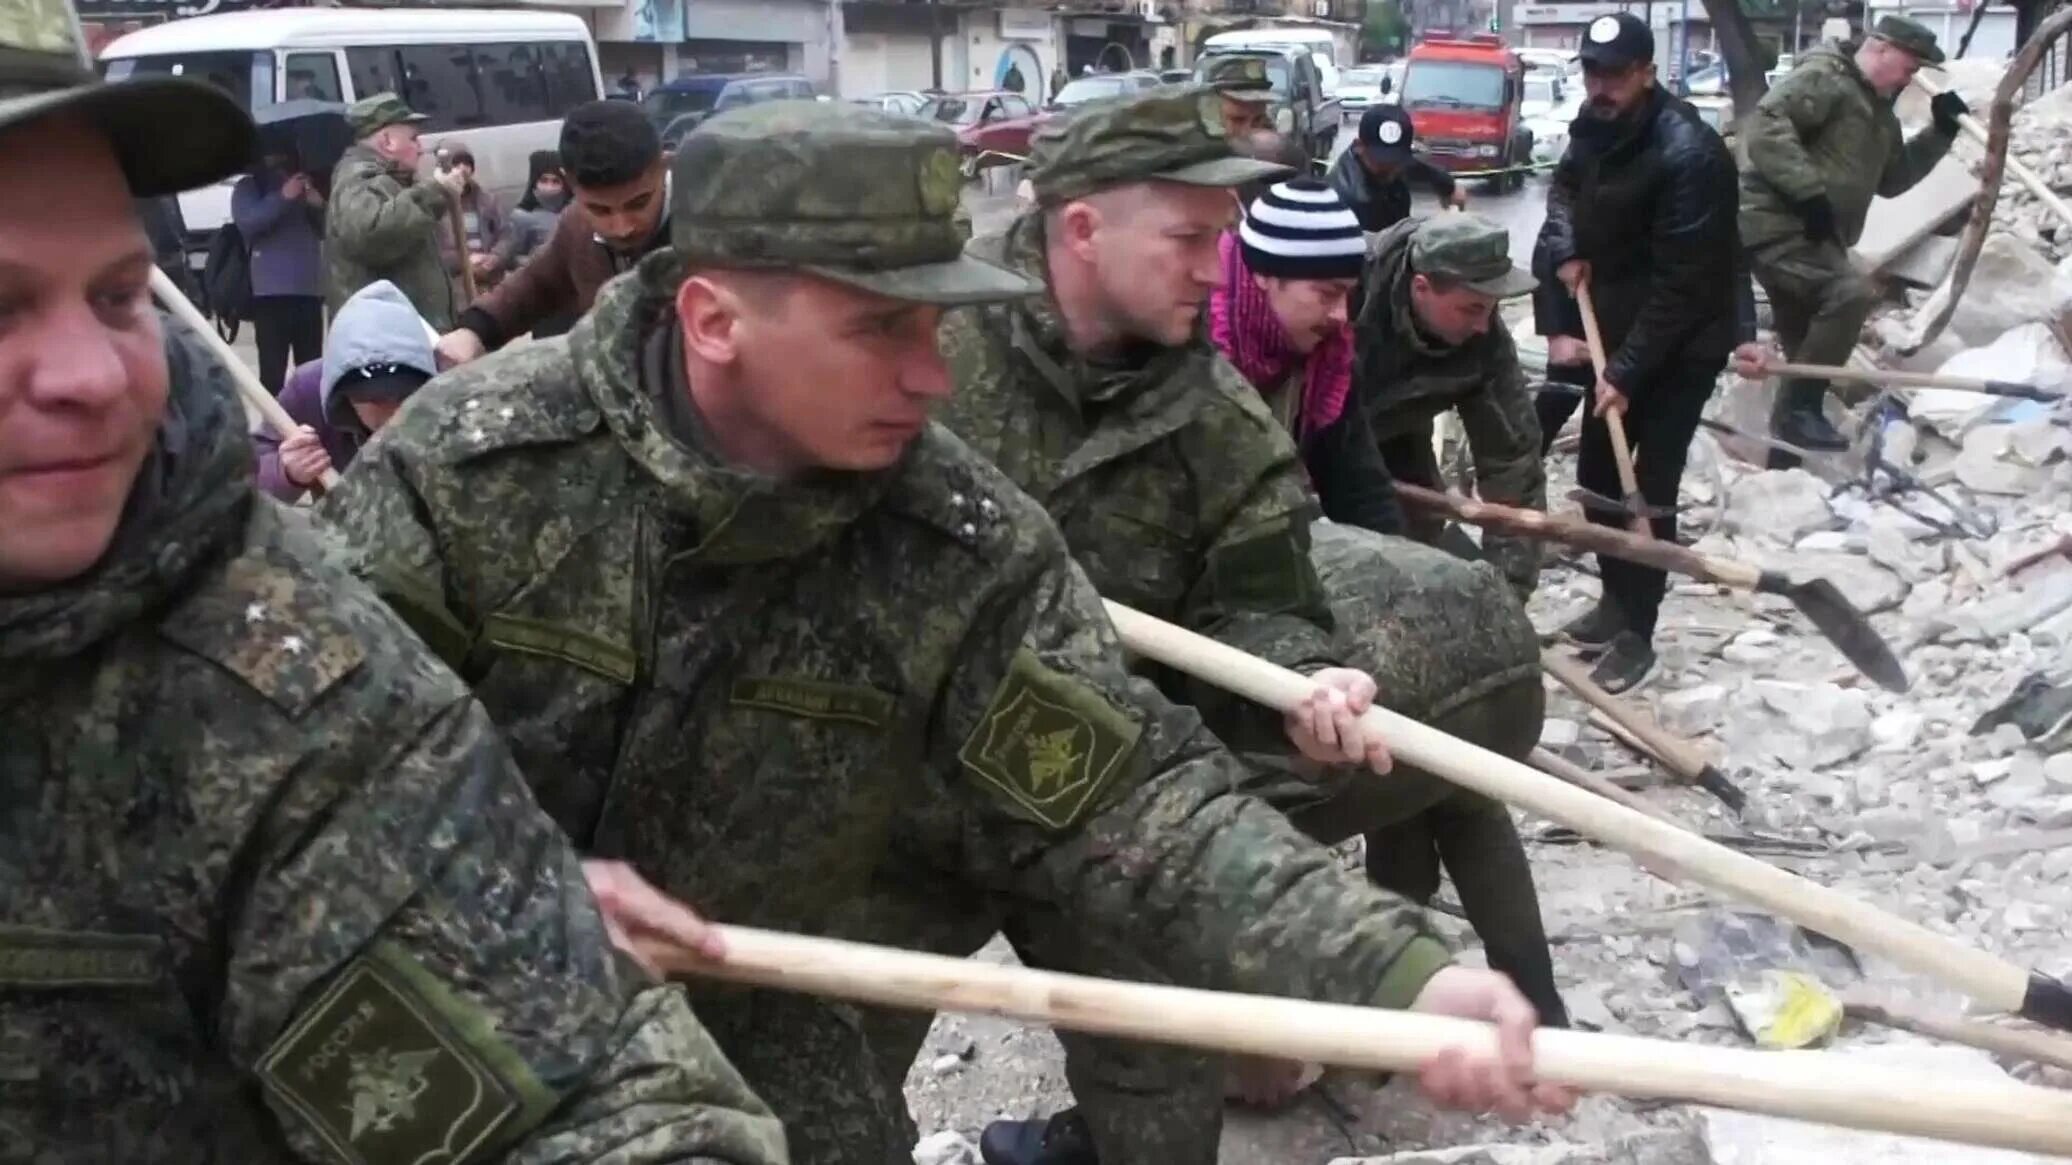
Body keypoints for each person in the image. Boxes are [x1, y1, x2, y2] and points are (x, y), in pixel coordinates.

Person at [315, 99, 1574, 1165]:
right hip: (457, 1006)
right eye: (882, 327)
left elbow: (1126, 801)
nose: (932, 376)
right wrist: (497, 886)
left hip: (777, 1005)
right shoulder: (476, 473)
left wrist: (1396, 975)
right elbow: (291, 782)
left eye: (937, 323)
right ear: (712, 321)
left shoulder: (956, 537)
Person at [0, 13, 789, 1161]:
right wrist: (471, 326)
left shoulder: (267, 672)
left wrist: (513, 922)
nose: (90, 375)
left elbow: (587, 1106)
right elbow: (515, 294)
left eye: (121, 295)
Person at [934, 88, 1568, 1165]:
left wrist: (1304, 675)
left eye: (1219, 240)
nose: (1208, 266)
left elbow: (1263, 593)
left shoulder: (1218, 416)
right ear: (1081, 227)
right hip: (905, 771)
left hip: (1099, 767)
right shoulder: (932, 353)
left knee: (1156, 1074)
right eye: (1187, 236)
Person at [1530, 12, 1743, 692]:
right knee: (1597, 478)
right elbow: (1562, 189)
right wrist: (1565, 252)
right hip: (1614, 321)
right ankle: (1615, 599)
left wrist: (1624, 371)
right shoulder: (1594, 127)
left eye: (1615, 74)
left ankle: (1639, 632)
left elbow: (1686, 286)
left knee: (1648, 484)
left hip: (1684, 340)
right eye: (1593, 71)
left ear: (1649, 73)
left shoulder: (1692, 154)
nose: (1601, 86)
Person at [1740, 16, 1963, 460]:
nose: (1911, 75)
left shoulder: (1878, 112)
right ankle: (1799, 412)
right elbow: (1766, 126)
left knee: (1806, 347)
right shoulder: (1825, 77)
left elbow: (1894, 179)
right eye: (1909, 64)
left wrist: (1940, 133)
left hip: (1819, 237)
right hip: (1776, 226)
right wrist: (1808, 194)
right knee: (1850, 293)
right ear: (1880, 49)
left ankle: (1784, 456)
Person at [1351, 213, 1547, 602]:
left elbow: (1512, 461)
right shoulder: (1344, 286)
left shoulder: (1485, 343)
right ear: (1420, 287)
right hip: (1303, 427)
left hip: (1398, 429)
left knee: (1416, 537)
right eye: (1472, 308)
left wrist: (1509, 596)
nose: (1483, 326)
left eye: (1492, 309)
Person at [1210, 177, 1403, 534]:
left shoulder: (1330, 361)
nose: (1341, 316)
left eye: (1347, 296)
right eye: (1327, 294)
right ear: (1265, 276)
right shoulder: (1193, 348)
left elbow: (1359, 488)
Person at [436, 100, 669, 367]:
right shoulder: (576, 223)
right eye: (600, 209)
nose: (622, 226)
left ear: (663, 166)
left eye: (638, 203)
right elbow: (537, 283)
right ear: (568, 181)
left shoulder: (708, 225)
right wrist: (474, 331)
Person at [253, 280, 436, 499]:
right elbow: (244, 483)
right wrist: (285, 473)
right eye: (374, 398)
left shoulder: (451, 388)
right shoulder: (309, 389)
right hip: (339, 528)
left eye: (403, 396)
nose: (391, 412)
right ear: (343, 394)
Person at [326, 91, 462, 329]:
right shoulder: (359, 179)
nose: (420, 148)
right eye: (413, 138)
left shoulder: (391, 179)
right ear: (387, 142)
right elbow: (372, 235)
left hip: (400, 336)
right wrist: (434, 192)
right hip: (385, 343)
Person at [232, 147, 327, 393]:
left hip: (308, 290)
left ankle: (312, 422)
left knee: (311, 370)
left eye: (283, 155)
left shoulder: (305, 184)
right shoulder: (248, 187)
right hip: (270, 293)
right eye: (272, 154)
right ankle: (274, 426)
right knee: (272, 372)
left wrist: (317, 204)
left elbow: (327, 230)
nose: (278, 160)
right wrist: (283, 196)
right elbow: (249, 223)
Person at [1329, 104, 1466, 232]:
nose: (1391, 169)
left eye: (1397, 160)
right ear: (1359, 146)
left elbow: (1416, 168)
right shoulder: (1351, 199)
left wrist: (1448, 186)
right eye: (1381, 161)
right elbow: (1385, 249)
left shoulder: (1390, 167)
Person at [432, 142, 516, 297]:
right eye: (456, 163)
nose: (463, 169)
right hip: (456, 279)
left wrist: (495, 257)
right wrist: (467, 259)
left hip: (490, 272)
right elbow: (436, 251)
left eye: (467, 163)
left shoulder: (488, 200)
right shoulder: (435, 204)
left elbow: (507, 235)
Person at [1197, 53, 1277, 139]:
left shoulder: (1271, 145)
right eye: (1238, 120)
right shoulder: (1193, 147)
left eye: (1257, 119)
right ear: (1211, 116)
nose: (1248, 131)